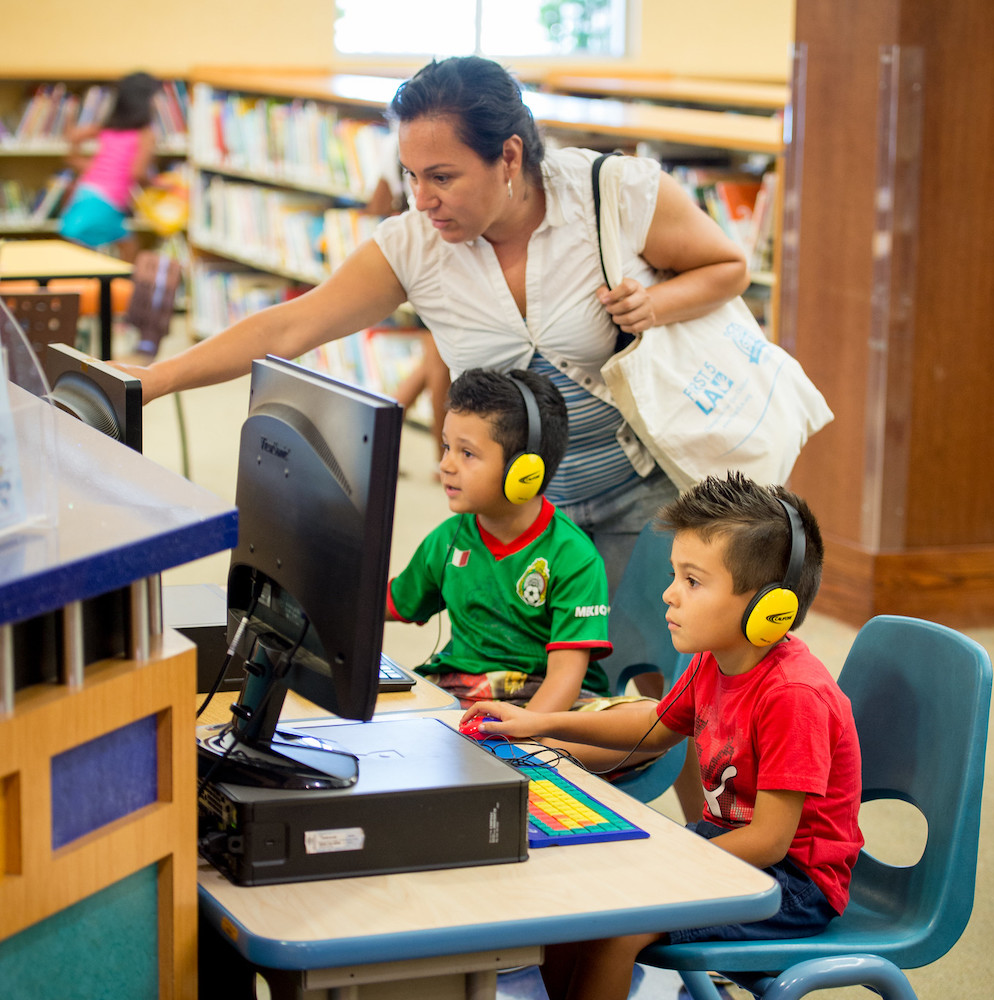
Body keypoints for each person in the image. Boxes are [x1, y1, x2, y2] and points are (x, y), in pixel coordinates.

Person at [117, 55, 749, 595]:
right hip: (519, 510)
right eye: (411, 176)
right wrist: (159, 377)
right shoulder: (414, 246)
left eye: (443, 177)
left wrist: (655, 306)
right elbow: (288, 328)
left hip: (641, 489)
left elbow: (729, 266)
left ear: (508, 156)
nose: (422, 199)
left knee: (648, 696)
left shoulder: (613, 194)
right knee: (529, 691)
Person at [461, 472, 863, 1000]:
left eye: (693, 581)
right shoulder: (712, 660)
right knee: (571, 897)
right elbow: (652, 728)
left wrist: (662, 856)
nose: (669, 594)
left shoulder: (793, 695)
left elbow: (769, 841)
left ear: (770, 609)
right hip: (727, 848)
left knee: (623, 925)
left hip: (794, 885)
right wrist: (541, 730)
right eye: (676, 575)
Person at [387, 367, 615, 718]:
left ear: (524, 471)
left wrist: (517, 735)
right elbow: (393, 602)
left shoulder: (574, 556)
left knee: (629, 720)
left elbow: (565, 681)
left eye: (467, 454)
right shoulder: (448, 538)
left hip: (543, 697)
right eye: (447, 447)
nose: (445, 464)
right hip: (461, 691)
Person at [59, 71, 161, 261]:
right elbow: (137, 173)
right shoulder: (145, 133)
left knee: (79, 253)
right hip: (109, 200)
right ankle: (123, 289)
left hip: (85, 193)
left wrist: (90, 165)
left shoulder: (109, 126)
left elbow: (71, 139)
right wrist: (158, 184)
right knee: (129, 252)